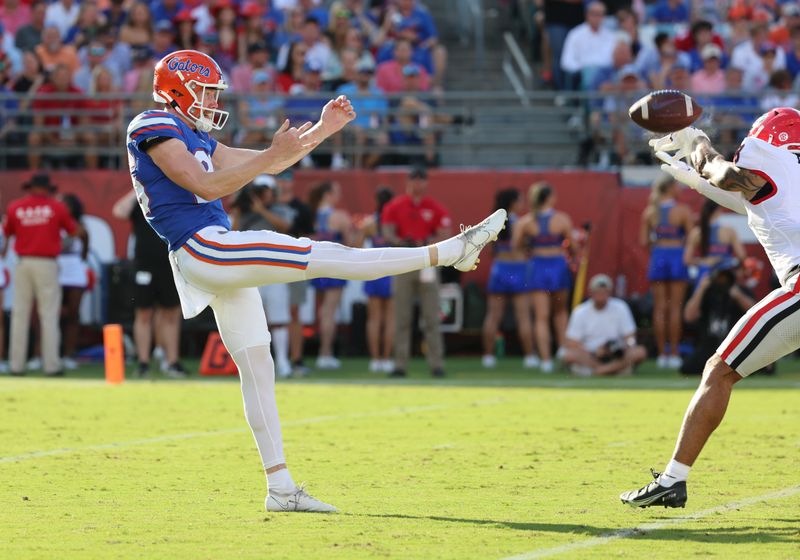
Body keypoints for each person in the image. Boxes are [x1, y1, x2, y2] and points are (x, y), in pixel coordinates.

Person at [125, 49, 505, 512]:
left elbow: (273, 164)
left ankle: (280, 488)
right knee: (323, 253)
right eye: (204, 90)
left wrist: (323, 130)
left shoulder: (197, 135)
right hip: (203, 246)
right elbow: (206, 186)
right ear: (177, 90)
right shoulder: (153, 124)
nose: (210, 99)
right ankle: (449, 252)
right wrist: (270, 154)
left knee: (258, 367)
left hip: (212, 247)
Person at [620, 108, 800, 508]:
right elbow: (755, 203)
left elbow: (728, 176)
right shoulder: (791, 177)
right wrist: (694, 179)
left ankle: (672, 480)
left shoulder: (765, 154)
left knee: (719, 372)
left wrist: (696, 140)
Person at [3, 174, 77, 377]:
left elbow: (6, 234)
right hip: (47, 263)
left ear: (30, 187)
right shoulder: (56, 207)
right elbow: (73, 232)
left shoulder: (15, 207)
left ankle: (16, 366)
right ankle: (51, 365)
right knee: (49, 315)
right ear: (47, 188)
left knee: (20, 315)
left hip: (23, 263)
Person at [381, 166, 452, 379]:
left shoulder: (434, 207)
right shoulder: (396, 206)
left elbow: (445, 232)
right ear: (408, 182)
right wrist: (401, 242)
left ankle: (436, 363)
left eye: (421, 180)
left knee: (431, 316)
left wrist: (426, 243)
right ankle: (400, 364)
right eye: (415, 179)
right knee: (401, 316)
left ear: (426, 183)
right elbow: (387, 231)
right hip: (404, 261)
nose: (418, 184)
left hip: (426, 262)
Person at [112, 190, 187, 378]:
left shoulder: (172, 197)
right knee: (143, 312)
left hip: (169, 262)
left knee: (170, 312)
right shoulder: (140, 197)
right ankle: (143, 362)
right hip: (144, 263)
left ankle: (172, 362)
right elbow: (119, 212)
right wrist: (138, 188)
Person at [229, 174, 294, 378]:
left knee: (279, 318)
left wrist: (261, 210)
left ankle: (283, 361)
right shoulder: (243, 213)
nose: (262, 195)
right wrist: (240, 210)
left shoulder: (281, 209)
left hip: (275, 271)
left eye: (264, 191)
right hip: (250, 273)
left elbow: (285, 226)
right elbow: (230, 234)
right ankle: (253, 365)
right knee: (251, 320)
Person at [514, 182, 573, 374]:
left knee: (541, 316)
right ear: (549, 198)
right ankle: (563, 351)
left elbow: (517, 246)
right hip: (557, 265)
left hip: (537, 266)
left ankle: (545, 360)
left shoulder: (526, 222)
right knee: (560, 312)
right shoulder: (562, 219)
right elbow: (573, 246)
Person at [640, 174, 693, 369]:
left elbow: (644, 242)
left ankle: (663, 354)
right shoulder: (682, 211)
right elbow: (691, 238)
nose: (680, 188)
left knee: (660, 307)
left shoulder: (650, 212)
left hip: (658, 256)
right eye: (677, 185)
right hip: (677, 256)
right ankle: (675, 353)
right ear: (670, 188)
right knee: (675, 307)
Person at [483, 188, 537, 369]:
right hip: (518, 269)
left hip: (499, 268)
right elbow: (524, 247)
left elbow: (491, 250)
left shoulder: (492, 222)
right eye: (520, 200)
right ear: (513, 203)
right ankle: (529, 357)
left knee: (493, 316)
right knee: (523, 316)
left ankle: (488, 357)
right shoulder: (521, 223)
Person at [680, 258, 756, 375]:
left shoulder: (741, 291)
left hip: (735, 345)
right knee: (687, 368)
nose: (723, 280)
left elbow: (756, 315)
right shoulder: (707, 292)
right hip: (709, 344)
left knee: (763, 367)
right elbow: (689, 317)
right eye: (720, 276)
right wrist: (701, 289)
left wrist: (738, 296)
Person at [562, 274, 646, 377]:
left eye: (604, 291)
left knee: (640, 352)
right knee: (567, 355)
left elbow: (630, 337)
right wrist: (593, 351)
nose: (601, 294)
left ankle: (598, 371)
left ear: (610, 292)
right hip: (590, 353)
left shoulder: (621, 307)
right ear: (591, 292)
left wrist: (625, 346)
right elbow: (572, 341)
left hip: (617, 352)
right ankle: (613, 370)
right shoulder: (580, 311)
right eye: (598, 291)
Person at [275, 169, 316, 376]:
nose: (283, 184)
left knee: (294, 312)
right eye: (280, 179)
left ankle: (296, 358)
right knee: (271, 313)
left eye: (286, 180)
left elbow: (309, 236)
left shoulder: (300, 208)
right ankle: (277, 358)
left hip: (294, 262)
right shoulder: (268, 205)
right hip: (271, 264)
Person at [307, 181, 351, 370]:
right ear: (328, 194)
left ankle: (323, 352)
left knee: (322, 311)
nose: (338, 196)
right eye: (336, 192)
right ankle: (325, 353)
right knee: (329, 312)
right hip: (334, 267)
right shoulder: (339, 216)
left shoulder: (312, 215)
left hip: (316, 266)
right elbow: (350, 244)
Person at [356, 187, 395, 373]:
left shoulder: (370, 222)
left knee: (374, 318)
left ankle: (375, 359)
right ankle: (386, 359)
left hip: (374, 269)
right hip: (392, 270)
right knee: (389, 319)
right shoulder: (395, 220)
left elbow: (356, 245)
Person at [56, 193, 90, 370]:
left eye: (65, 205)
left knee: (73, 315)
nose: (62, 208)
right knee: (51, 316)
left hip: (75, 273)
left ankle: (69, 355)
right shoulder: (53, 224)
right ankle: (47, 353)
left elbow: (85, 252)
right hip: (55, 272)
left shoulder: (81, 227)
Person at [684, 200, 747, 288]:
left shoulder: (696, 232)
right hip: (725, 275)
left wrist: (704, 261)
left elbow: (687, 260)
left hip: (704, 277)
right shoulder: (729, 231)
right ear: (718, 211)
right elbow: (742, 255)